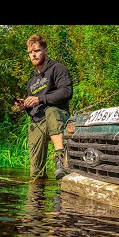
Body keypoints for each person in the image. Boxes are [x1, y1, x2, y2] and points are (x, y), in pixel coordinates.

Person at [15, 34, 73, 181]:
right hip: (39, 123)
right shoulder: (31, 82)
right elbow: (34, 108)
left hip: (58, 116)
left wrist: (39, 99)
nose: (33, 55)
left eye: (37, 50)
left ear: (45, 50)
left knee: (51, 110)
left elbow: (66, 92)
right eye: (30, 52)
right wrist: (25, 106)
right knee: (36, 175)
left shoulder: (58, 68)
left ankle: (60, 159)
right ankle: (37, 199)